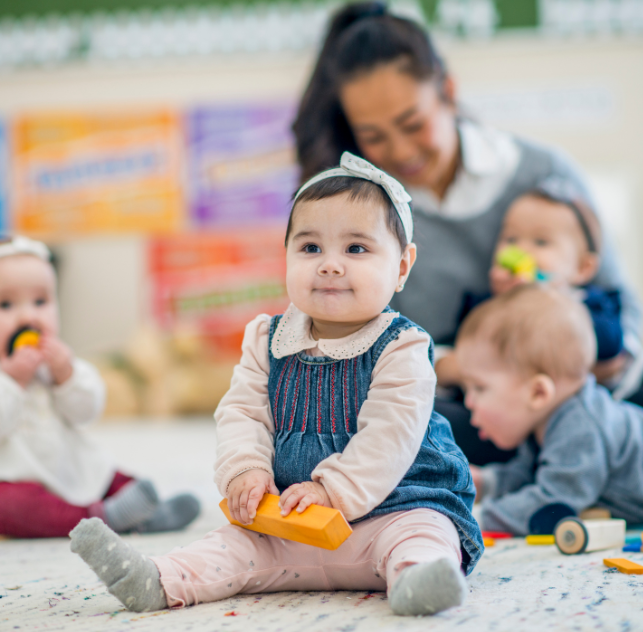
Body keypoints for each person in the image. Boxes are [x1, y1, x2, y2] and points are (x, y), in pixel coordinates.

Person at [69, 153, 482, 617]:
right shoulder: (267, 338)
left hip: (392, 512)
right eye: (310, 248)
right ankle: (161, 579)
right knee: (231, 544)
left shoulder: (402, 345)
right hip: (289, 523)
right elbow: (242, 412)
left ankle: (417, 579)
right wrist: (245, 469)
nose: (329, 265)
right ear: (284, 255)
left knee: (425, 534)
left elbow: (392, 433)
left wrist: (335, 491)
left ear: (402, 265)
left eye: (356, 249)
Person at [292, 1, 643, 464]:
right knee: (384, 424)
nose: (400, 150)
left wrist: (592, 348)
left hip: (573, 394)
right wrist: (460, 367)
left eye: (412, 124)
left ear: (449, 92)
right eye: (374, 136)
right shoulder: (362, 211)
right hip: (458, 402)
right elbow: (364, 347)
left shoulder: (544, 173)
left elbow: (621, 310)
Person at [0, 237, 200, 538]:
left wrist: (66, 376)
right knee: (12, 508)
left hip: (64, 471)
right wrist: (10, 381)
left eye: (40, 301)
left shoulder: (52, 360)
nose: (29, 316)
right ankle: (100, 518)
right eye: (5, 304)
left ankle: (147, 511)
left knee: (108, 474)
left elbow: (87, 411)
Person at [439, 178, 643, 415]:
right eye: (510, 239)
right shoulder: (486, 305)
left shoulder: (589, 301)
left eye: (541, 242)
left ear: (582, 268)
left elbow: (609, 345)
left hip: (622, 393)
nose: (521, 251)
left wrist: (552, 300)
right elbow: (458, 343)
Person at [456, 285, 643, 535]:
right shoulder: (546, 421)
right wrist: (487, 483)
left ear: (538, 393)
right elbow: (529, 475)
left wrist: (478, 518)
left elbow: (553, 500)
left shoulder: (582, 426)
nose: (468, 402)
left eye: (479, 388)